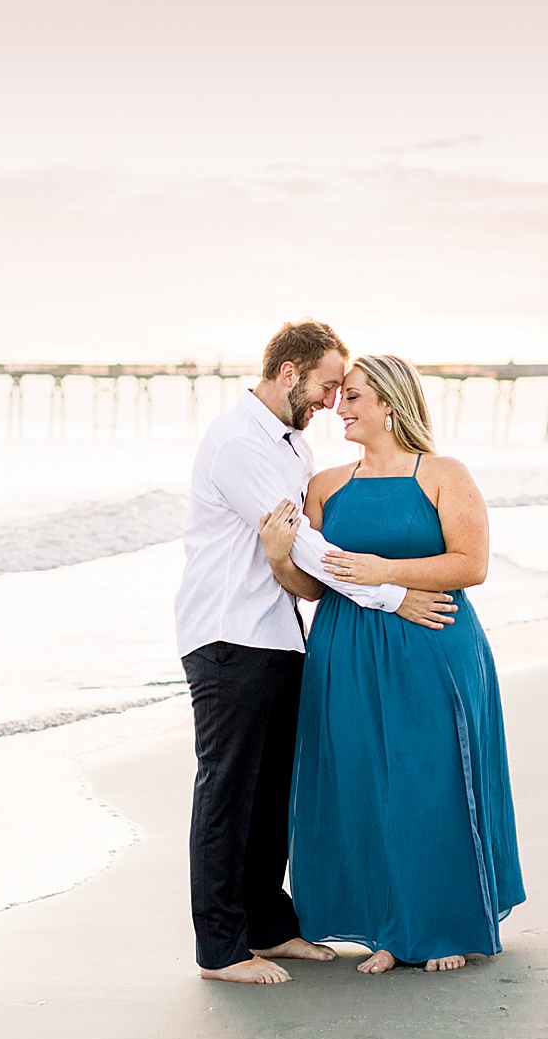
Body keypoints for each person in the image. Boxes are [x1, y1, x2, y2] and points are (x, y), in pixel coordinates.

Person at [175, 320, 460, 985]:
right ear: (288, 372)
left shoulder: (292, 448)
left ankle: (268, 926)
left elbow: (295, 557)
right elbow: (303, 545)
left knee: (274, 791)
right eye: (328, 385)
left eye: (342, 390)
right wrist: (393, 594)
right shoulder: (238, 443)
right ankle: (220, 949)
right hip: (227, 636)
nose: (332, 402)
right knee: (227, 791)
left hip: (278, 634)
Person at [259, 354, 524, 974]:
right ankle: (387, 927)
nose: (338, 408)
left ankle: (442, 926)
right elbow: (319, 584)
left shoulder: (443, 474)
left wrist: (386, 572)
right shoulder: (326, 485)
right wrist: (278, 559)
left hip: (433, 642)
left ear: (389, 404)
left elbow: (471, 564)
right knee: (363, 783)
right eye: (340, 396)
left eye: (352, 397)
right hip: (345, 649)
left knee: (430, 779)